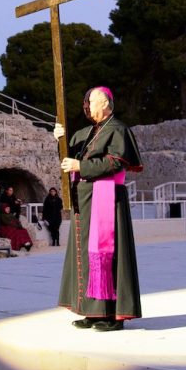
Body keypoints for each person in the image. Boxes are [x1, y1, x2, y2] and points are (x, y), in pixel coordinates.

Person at [53, 86, 143, 332]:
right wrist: (59, 139)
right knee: (84, 254)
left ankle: (111, 315)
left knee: (107, 255)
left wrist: (80, 165)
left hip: (107, 199)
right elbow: (67, 158)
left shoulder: (118, 130)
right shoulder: (85, 133)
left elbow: (114, 162)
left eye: (90, 101)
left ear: (104, 103)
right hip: (84, 200)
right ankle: (91, 311)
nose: (86, 105)